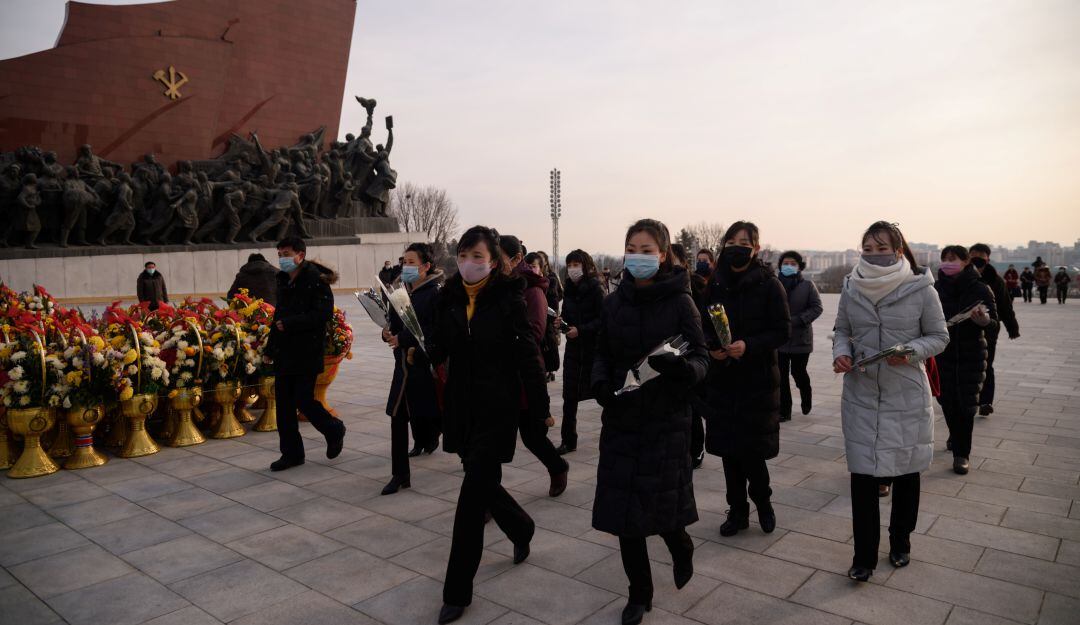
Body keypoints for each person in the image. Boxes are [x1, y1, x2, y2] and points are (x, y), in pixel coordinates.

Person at [428, 226, 548, 625]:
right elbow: (438, 346)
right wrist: (411, 341)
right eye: (463, 255)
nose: (469, 263)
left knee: (470, 501)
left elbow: (528, 355)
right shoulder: (449, 298)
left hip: (497, 409)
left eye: (477, 256)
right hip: (461, 409)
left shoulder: (508, 298)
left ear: (493, 261)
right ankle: (522, 527)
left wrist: (540, 408)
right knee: (481, 484)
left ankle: (456, 592)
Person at [591, 219, 708, 625]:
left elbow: (701, 358)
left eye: (647, 250)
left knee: (662, 508)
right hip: (622, 418)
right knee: (626, 517)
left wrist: (682, 369)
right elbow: (602, 352)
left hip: (665, 420)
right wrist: (600, 383)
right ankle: (639, 594)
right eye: (632, 249)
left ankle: (681, 545)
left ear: (663, 255)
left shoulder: (681, 302)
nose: (637, 257)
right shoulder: (613, 303)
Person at [833, 221, 948, 582]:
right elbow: (841, 330)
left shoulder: (921, 288)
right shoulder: (851, 286)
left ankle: (901, 541)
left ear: (898, 251)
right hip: (862, 394)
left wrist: (911, 351)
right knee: (862, 477)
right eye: (868, 249)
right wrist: (841, 353)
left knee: (907, 474)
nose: (874, 255)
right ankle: (863, 557)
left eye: (882, 249)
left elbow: (939, 336)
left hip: (906, 395)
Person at [702, 222, 790, 538]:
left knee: (752, 453)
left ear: (756, 248)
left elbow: (782, 330)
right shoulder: (715, 284)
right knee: (729, 454)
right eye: (731, 242)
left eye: (744, 242)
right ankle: (737, 511)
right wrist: (712, 348)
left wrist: (749, 345)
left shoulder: (769, 284)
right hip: (724, 380)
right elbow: (703, 325)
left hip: (757, 382)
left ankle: (763, 503)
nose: (736, 247)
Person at [266, 237, 347, 472]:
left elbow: (322, 314)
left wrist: (291, 323)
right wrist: (270, 348)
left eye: (286, 254)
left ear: (300, 255)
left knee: (304, 400)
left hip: (306, 351)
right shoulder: (283, 279)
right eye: (280, 254)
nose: (282, 259)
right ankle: (291, 454)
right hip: (284, 351)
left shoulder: (316, 279)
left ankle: (334, 429)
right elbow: (278, 316)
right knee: (284, 405)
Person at [500, 236, 569, 497]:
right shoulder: (498, 287)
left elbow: (536, 333)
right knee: (495, 440)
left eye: (498, 257)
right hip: (501, 375)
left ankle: (558, 466)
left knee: (532, 436)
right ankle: (487, 495)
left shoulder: (533, 290)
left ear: (516, 259)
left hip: (525, 373)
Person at [380, 242, 444, 495]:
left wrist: (404, 339)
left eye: (410, 263)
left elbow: (435, 330)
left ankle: (464, 452)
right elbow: (395, 325)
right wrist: (387, 333)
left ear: (426, 266)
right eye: (403, 262)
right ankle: (400, 474)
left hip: (424, 367)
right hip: (403, 368)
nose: (405, 267)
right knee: (397, 417)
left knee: (436, 414)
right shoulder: (401, 293)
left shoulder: (435, 294)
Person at [935, 245, 996, 475]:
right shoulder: (935, 288)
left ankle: (962, 454)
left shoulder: (980, 288)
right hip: (942, 354)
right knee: (946, 401)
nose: (948, 263)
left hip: (971, 354)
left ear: (966, 261)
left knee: (966, 405)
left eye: (953, 259)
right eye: (945, 259)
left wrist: (984, 322)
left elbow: (994, 323)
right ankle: (955, 435)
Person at [554, 249, 604, 455]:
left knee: (601, 393)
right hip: (574, 350)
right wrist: (562, 323)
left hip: (593, 350)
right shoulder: (569, 289)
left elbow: (603, 320)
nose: (573, 269)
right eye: (570, 265)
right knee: (569, 395)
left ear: (586, 265)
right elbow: (567, 314)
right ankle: (568, 439)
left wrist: (581, 330)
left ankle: (610, 436)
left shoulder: (596, 288)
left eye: (576, 265)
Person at [968, 244, 1020, 416]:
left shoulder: (996, 280)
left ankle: (985, 401)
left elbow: (1005, 305)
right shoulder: (961, 277)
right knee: (966, 365)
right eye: (973, 254)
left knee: (986, 365)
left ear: (988, 258)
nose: (977, 257)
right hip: (965, 330)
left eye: (981, 255)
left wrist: (1012, 328)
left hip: (988, 331)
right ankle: (968, 397)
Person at [777, 251, 823, 422]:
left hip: (801, 339)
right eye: (785, 263)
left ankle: (806, 393)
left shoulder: (808, 286)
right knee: (781, 376)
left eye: (793, 263)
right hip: (780, 339)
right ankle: (784, 411)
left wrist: (797, 320)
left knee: (798, 372)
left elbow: (817, 308)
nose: (788, 266)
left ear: (799, 267)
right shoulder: (775, 285)